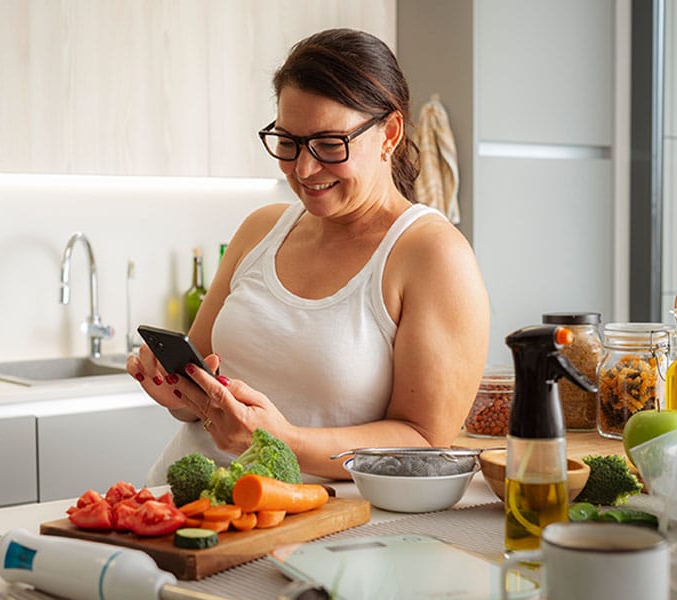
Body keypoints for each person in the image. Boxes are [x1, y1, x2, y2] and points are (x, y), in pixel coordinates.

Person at [128, 28, 489, 482]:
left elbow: (423, 442)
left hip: (315, 516)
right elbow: (201, 391)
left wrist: (283, 441)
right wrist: (176, 392)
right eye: (288, 142)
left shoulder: (432, 255)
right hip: (177, 502)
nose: (303, 168)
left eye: (329, 144)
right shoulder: (261, 229)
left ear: (390, 134)